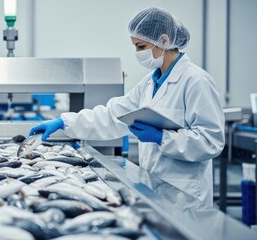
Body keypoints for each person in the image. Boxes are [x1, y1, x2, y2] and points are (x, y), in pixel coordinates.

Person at [29, 7, 225, 207]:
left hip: (187, 193)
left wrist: (162, 137)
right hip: (155, 185)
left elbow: (211, 141)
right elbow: (113, 115)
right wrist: (64, 122)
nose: (137, 53)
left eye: (141, 46)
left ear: (164, 41)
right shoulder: (149, 82)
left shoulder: (196, 81)